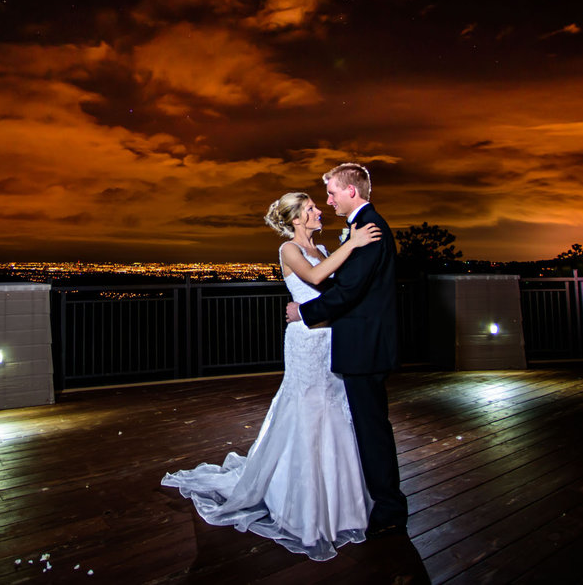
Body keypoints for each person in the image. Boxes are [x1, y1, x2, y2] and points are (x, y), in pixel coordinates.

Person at [161, 192, 381, 560]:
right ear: (296, 219)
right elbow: (314, 276)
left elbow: (339, 290)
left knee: (334, 412)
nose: (318, 211)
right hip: (305, 342)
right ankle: (301, 507)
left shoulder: (326, 247)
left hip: (329, 339)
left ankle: (342, 504)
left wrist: (348, 250)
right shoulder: (288, 250)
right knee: (304, 411)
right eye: (310, 208)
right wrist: (354, 242)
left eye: (315, 206)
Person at [285, 162, 408, 537]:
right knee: (366, 426)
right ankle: (372, 499)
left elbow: (349, 290)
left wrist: (303, 313)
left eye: (332, 193)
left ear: (350, 191)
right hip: (358, 343)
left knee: (371, 429)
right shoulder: (361, 228)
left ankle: (388, 507)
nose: (327, 201)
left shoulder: (368, 228)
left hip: (364, 346)